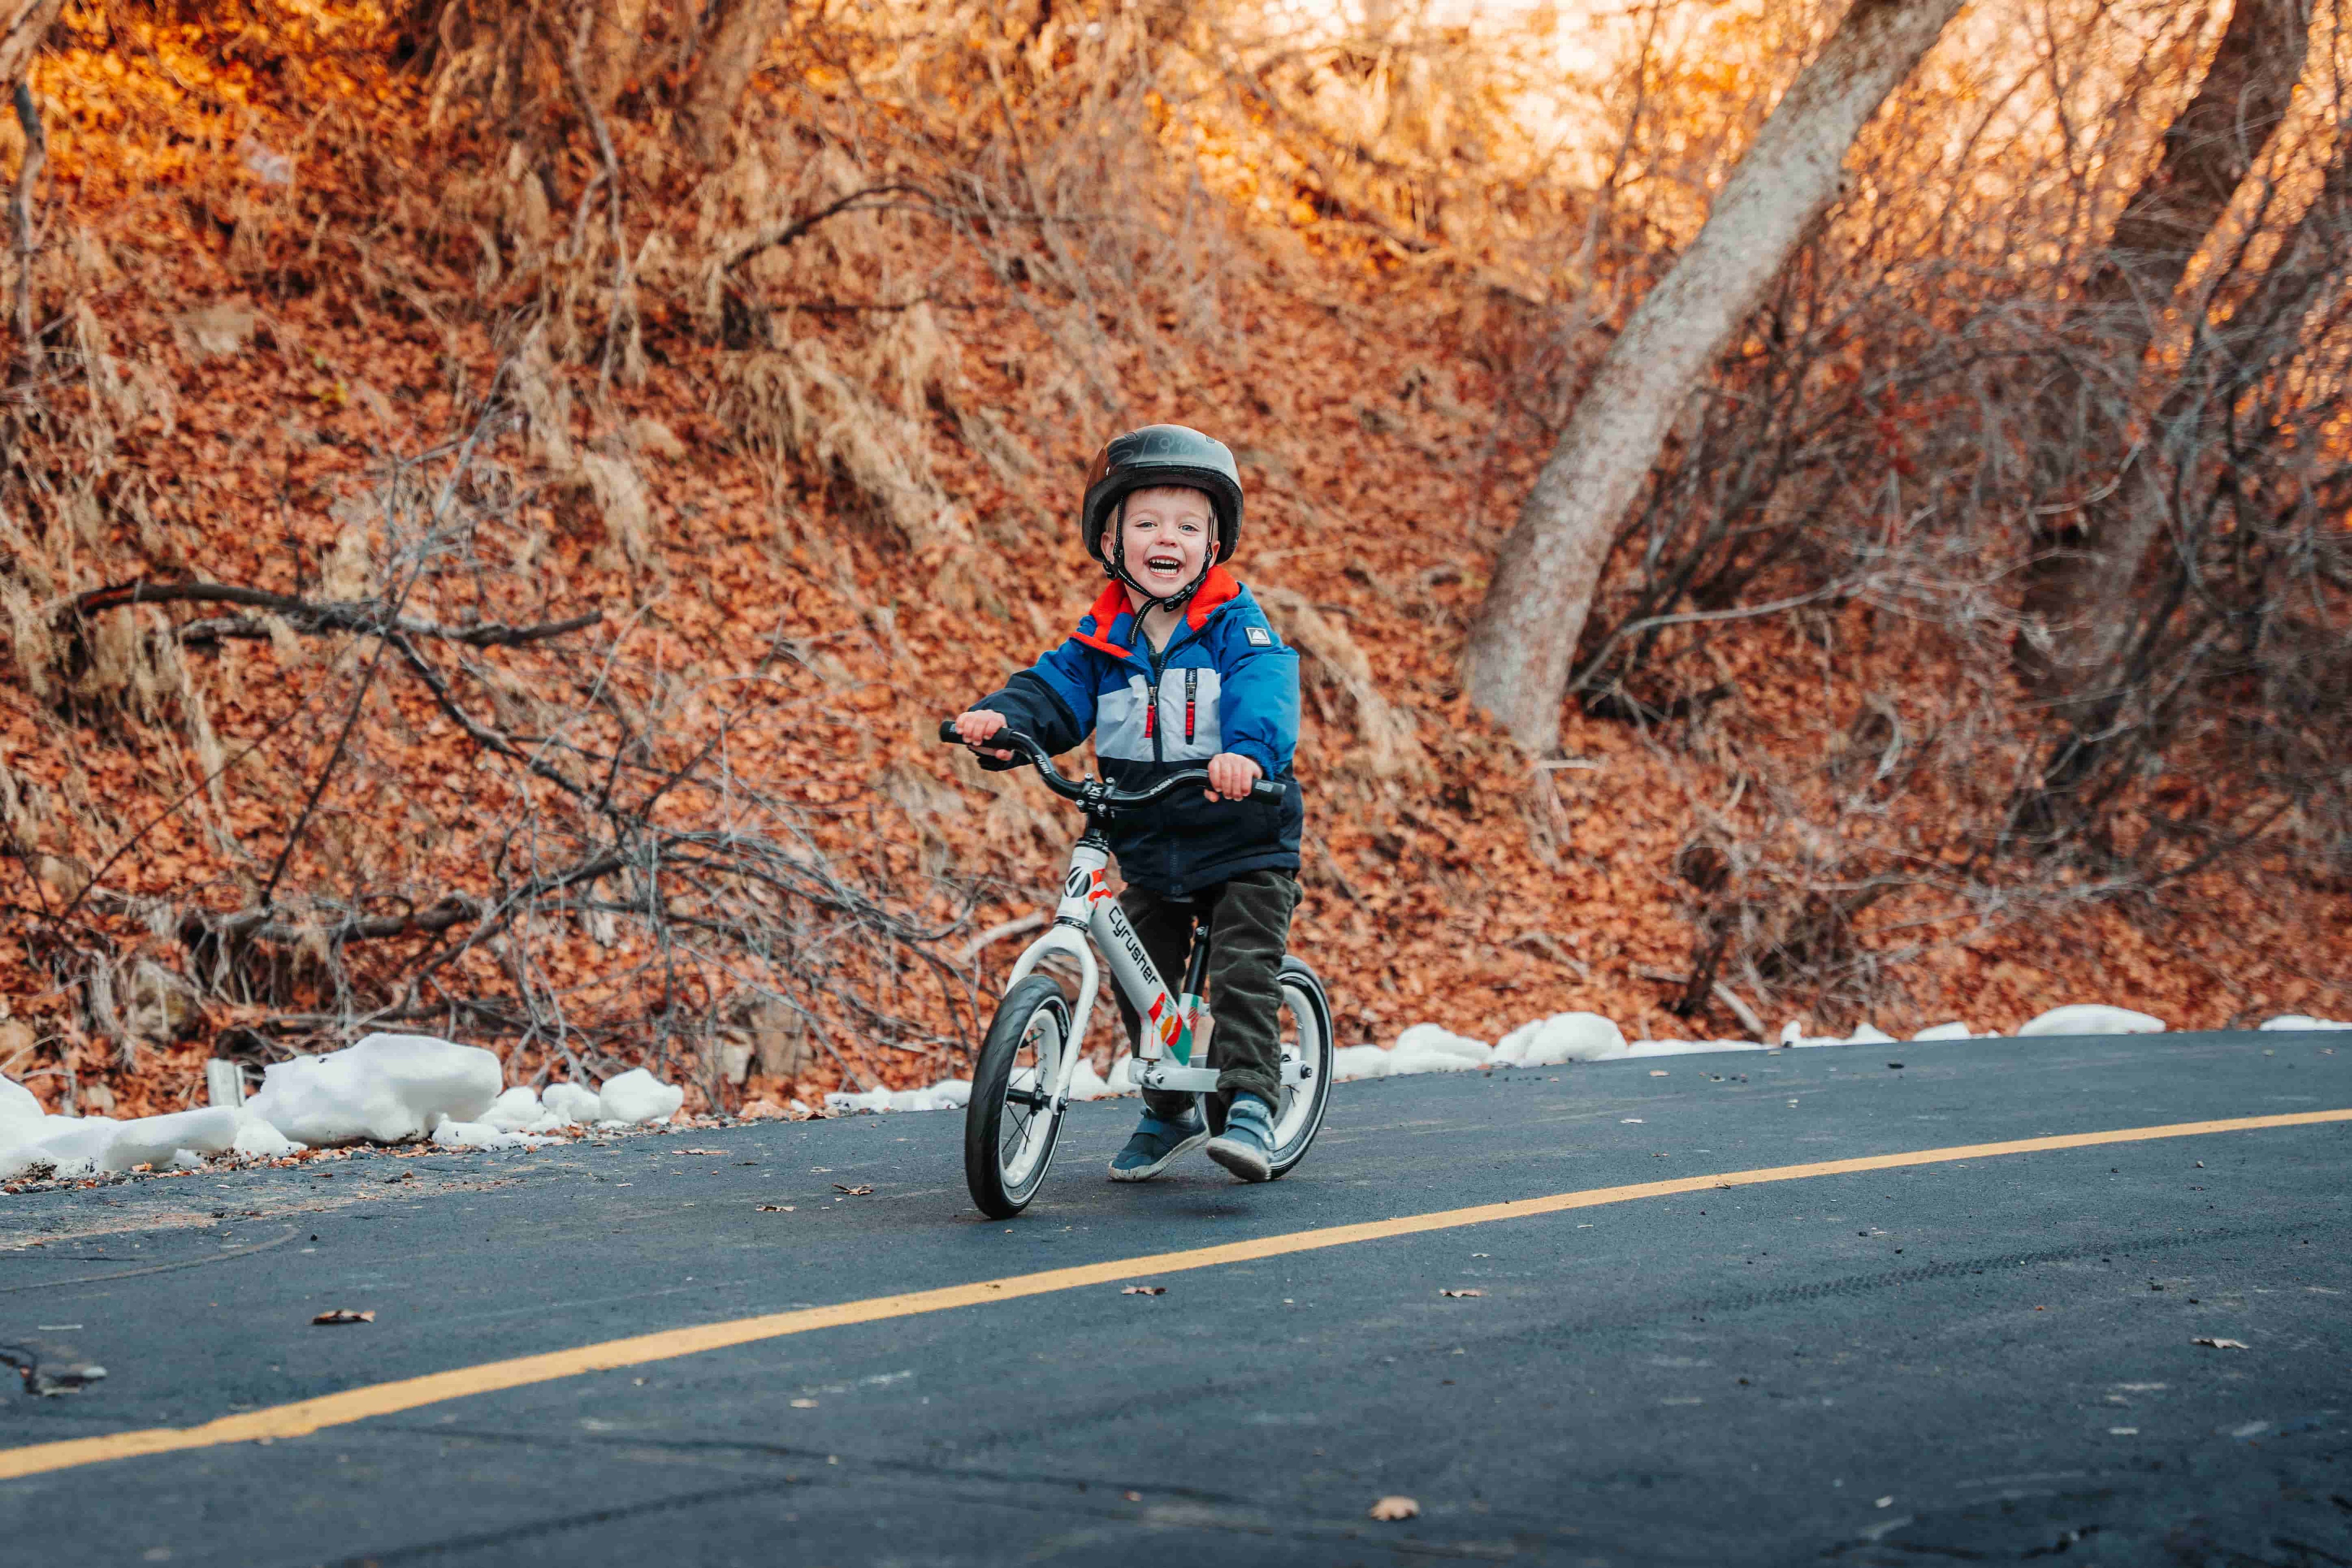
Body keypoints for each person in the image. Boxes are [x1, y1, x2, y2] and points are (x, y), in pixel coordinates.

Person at [951, 425, 1303, 1182]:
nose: (1165, 538)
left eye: (1187, 525)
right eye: (1146, 523)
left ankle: (1250, 1105)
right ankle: (1168, 1108)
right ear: (1111, 541)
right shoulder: (1103, 638)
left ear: (1214, 545)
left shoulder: (1237, 627)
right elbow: (1053, 691)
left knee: (1242, 968)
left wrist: (1247, 753)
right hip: (1149, 837)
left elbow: (1265, 692)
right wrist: (1003, 723)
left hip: (1242, 835)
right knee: (1139, 967)